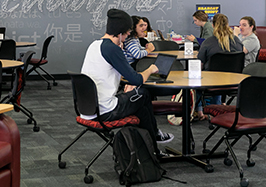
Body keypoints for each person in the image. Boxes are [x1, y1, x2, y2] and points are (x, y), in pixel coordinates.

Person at [81, 9, 174, 156]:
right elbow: (137, 79)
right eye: (127, 33)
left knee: (139, 104)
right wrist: (150, 69)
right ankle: (154, 141)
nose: (127, 37)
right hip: (105, 111)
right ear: (120, 33)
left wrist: (129, 82)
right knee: (143, 94)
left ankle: (152, 148)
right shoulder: (112, 49)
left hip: (87, 109)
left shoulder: (94, 45)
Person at [196, 13, 243, 120]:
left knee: (195, 78)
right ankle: (218, 106)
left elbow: (200, 63)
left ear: (213, 25)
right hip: (233, 83)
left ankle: (199, 111)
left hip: (211, 83)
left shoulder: (208, 42)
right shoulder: (237, 41)